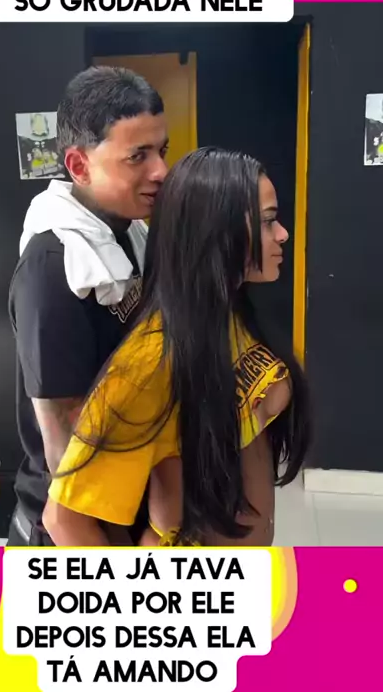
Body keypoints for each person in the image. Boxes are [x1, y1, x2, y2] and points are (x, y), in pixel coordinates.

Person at [43, 148, 311, 547]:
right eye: (268, 221)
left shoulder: (230, 315)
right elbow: (64, 521)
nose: (283, 234)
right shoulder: (148, 364)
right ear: (216, 231)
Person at [7, 66, 169, 546]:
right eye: (137, 156)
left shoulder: (129, 232)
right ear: (79, 166)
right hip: (74, 529)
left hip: (126, 501)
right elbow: (64, 447)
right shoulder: (54, 265)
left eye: (161, 151)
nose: (160, 171)